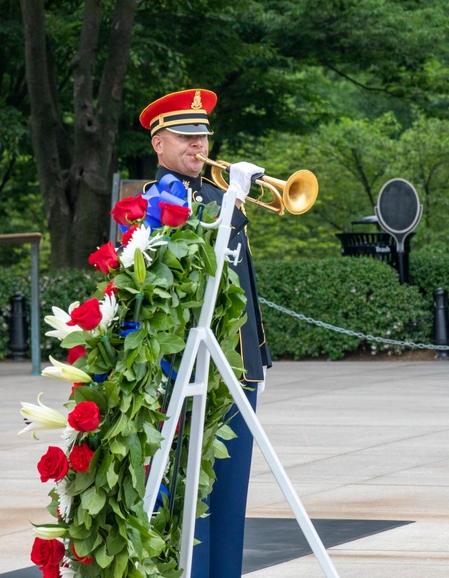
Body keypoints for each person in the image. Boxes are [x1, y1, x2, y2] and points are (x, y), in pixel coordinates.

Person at [140, 88, 271, 578]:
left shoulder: (218, 194)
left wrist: (258, 356)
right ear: (159, 143)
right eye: (186, 137)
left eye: (203, 136)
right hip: (192, 365)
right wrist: (233, 199)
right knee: (191, 494)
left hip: (238, 359)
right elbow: (192, 252)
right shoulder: (158, 197)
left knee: (231, 494)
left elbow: (242, 278)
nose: (198, 145)